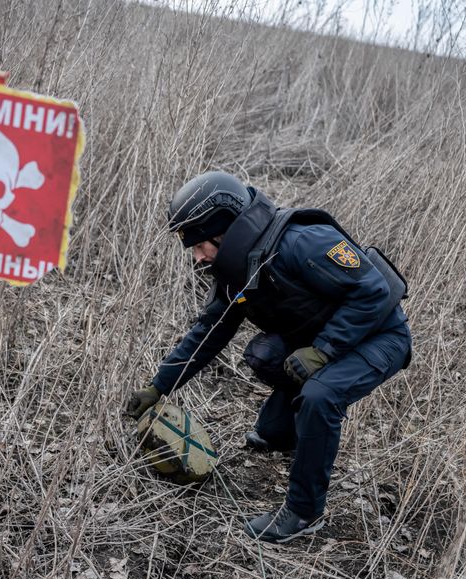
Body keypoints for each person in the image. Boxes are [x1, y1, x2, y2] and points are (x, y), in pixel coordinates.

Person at [125, 171, 412, 544]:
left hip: (380, 335)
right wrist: (158, 387)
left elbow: (372, 290)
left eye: (199, 245)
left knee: (320, 397)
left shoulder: (302, 240)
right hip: (323, 340)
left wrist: (324, 350)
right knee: (264, 358)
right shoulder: (235, 272)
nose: (197, 257)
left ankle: (304, 513)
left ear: (222, 229)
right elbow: (208, 333)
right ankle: (286, 431)